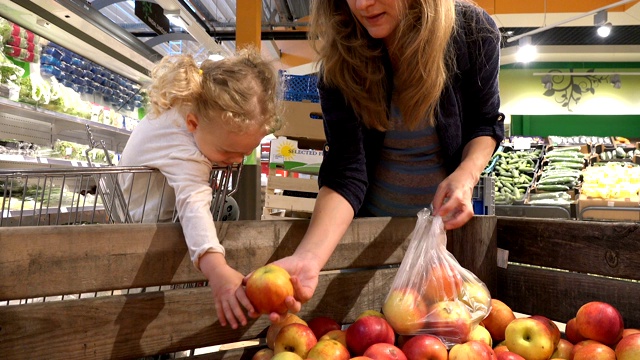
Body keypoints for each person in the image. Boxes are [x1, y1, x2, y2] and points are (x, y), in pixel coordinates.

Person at [265, 0, 505, 320]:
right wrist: (309, 257)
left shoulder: (473, 33)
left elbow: (485, 123)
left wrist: (465, 174)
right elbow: (346, 171)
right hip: (369, 243)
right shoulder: (343, 62)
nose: (362, 4)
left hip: (444, 244)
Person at [118, 48, 281, 329]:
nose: (237, 161)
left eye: (245, 153)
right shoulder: (184, 147)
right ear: (193, 124)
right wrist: (217, 271)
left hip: (155, 211)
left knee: (228, 208)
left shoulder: (192, 111)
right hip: (144, 225)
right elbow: (193, 204)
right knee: (145, 304)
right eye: (228, 151)